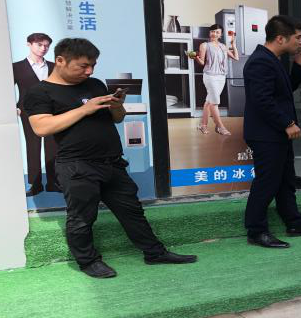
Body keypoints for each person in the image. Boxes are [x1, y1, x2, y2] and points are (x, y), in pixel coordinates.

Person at [24, 38, 198, 279]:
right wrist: (85, 109)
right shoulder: (40, 92)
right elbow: (42, 127)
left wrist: (116, 105)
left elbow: (117, 118)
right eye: (83, 66)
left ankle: (154, 253)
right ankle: (88, 262)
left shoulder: (95, 84)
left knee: (132, 211)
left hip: (112, 162)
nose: (89, 71)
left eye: (93, 65)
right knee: (82, 218)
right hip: (77, 166)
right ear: (61, 60)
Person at [244, 16, 301, 249]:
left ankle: (294, 222)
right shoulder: (260, 62)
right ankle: (256, 231)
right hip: (266, 134)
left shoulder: (272, 59)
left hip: (275, 133)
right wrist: (287, 123)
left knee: (285, 181)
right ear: (281, 39)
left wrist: (300, 66)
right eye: (298, 37)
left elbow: (282, 90)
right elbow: (262, 99)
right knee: (267, 182)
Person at [12, 33, 59, 196]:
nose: (43, 48)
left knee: (53, 147)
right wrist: (14, 107)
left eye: (46, 45)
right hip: (28, 112)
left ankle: (53, 182)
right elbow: (5, 88)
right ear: (29, 44)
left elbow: (61, 88)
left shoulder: (54, 66)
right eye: (39, 44)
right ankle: (35, 184)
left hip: (52, 111)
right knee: (33, 147)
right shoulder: (16, 67)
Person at [193, 23, 239, 136]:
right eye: (212, 31)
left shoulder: (223, 46)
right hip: (210, 76)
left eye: (217, 32)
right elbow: (202, 62)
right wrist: (196, 57)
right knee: (215, 102)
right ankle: (220, 127)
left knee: (209, 101)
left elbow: (236, 58)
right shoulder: (205, 45)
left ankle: (203, 125)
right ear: (210, 33)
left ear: (220, 34)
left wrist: (233, 45)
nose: (214, 34)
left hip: (221, 77)